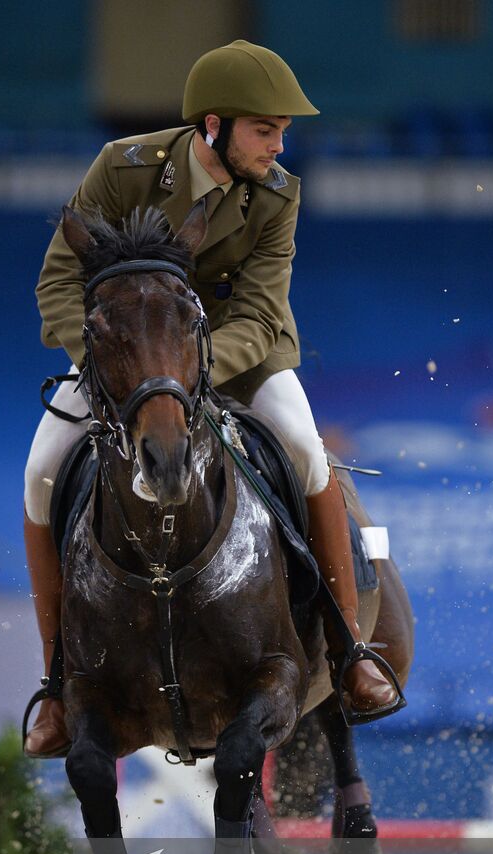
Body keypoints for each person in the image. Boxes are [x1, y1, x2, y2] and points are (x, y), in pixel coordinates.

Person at [24, 39, 396, 758]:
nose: (279, 145)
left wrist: (189, 372)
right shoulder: (122, 167)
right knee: (41, 474)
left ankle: (350, 651)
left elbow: (259, 312)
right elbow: (58, 283)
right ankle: (55, 682)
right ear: (213, 125)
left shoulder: (278, 194)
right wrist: (116, 366)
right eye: (266, 130)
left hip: (240, 356)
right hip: (124, 361)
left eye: (282, 130)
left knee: (304, 453)